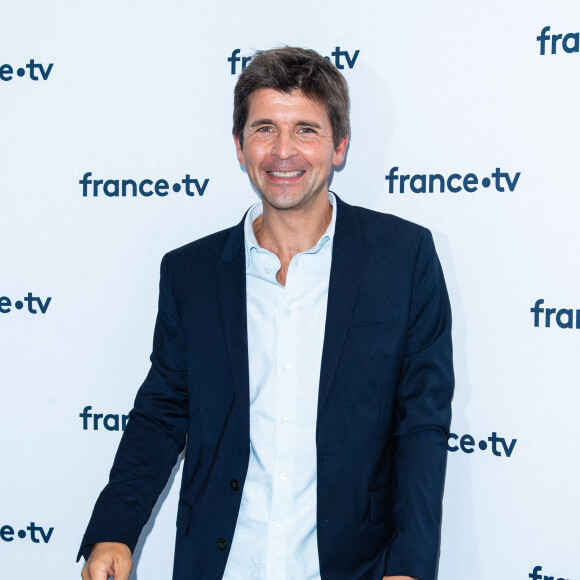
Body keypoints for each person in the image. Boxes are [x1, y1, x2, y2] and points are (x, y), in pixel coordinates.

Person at [79, 46, 454, 580]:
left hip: (355, 566)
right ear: (239, 145)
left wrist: (410, 566)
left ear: (339, 144)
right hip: (220, 564)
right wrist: (115, 529)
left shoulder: (404, 258)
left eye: (305, 129)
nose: (283, 152)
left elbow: (420, 424)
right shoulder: (191, 272)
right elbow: (162, 412)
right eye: (264, 129)